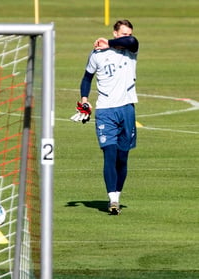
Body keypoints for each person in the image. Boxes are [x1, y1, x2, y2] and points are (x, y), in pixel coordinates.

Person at [71, 19, 139, 215]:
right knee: (109, 153)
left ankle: (117, 193)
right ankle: (113, 199)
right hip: (105, 111)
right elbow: (86, 78)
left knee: (122, 157)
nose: (127, 37)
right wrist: (84, 99)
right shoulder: (97, 54)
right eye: (123, 33)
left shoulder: (130, 49)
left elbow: (132, 42)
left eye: (129, 33)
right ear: (115, 32)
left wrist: (109, 42)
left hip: (126, 108)